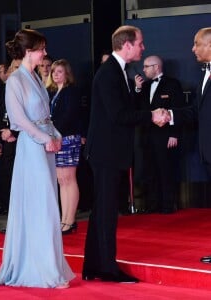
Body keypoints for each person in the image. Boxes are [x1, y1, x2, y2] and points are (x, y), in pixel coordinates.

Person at [82, 25, 168, 283]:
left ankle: (94, 266)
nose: (143, 47)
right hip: (106, 153)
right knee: (106, 212)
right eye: (140, 43)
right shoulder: (110, 74)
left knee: (102, 211)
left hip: (110, 152)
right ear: (127, 44)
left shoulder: (118, 72)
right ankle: (106, 268)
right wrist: (151, 116)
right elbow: (119, 115)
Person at [0, 29, 75, 288]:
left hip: (45, 145)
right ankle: (39, 269)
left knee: (48, 205)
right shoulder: (15, 80)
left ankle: (48, 264)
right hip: (32, 148)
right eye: (41, 48)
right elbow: (18, 120)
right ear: (29, 51)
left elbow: (45, 116)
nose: (45, 53)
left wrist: (56, 134)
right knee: (41, 204)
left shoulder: (37, 78)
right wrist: (44, 138)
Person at [155, 28, 211, 263]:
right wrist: (170, 115)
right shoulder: (204, 74)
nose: (192, 48)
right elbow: (197, 111)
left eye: (196, 43)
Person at [134, 55, 185, 213]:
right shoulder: (145, 86)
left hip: (165, 135)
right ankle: (153, 204)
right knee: (150, 170)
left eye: (146, 66)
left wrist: (174, 134)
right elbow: (137, 109)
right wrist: (137, 89)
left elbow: (178, 110)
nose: (143, 69)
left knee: (165, 169)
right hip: (147, 135)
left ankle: (168, 205)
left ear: (156, 67)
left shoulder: (172, 84)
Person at [46, 59, 82, 235]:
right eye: (54, 72)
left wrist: (54, 132)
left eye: (59, 71)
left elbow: (68, 115)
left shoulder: (71, 91)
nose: (55, 75)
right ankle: (64, 220)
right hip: (57, 138)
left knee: (69, 178)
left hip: (68, 138)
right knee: (61, 180)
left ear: (67, 73)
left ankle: (70, 220)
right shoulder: (52, 92)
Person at [0, 60, 20, 223]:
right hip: (6, 136)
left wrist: (14, 130)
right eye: (13, 68)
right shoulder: (5, 89)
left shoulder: (28, 86)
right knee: (6, 171)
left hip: (21, 136)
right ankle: (7, 205)